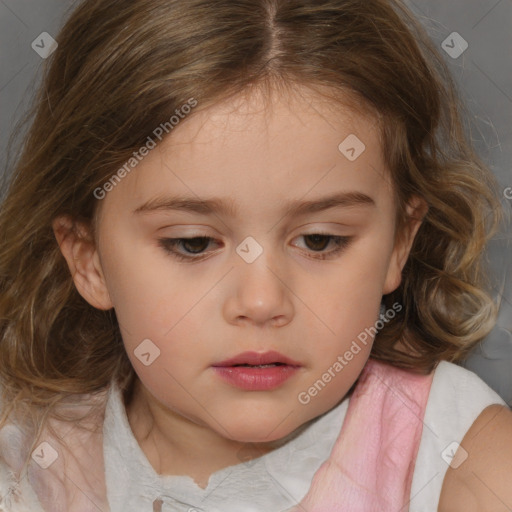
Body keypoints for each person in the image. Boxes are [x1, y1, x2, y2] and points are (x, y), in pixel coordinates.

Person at [0, 0, 511, 511]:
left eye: (320, 240)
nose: (262, 301)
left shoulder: (464, 462)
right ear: (88, 259)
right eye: (194, 243)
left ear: (399, 242)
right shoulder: (27, 462)